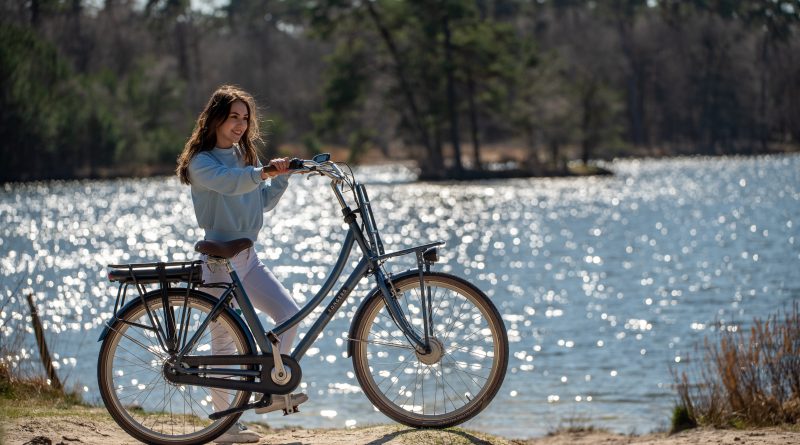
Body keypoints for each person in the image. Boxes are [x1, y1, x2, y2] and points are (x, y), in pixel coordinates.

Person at [176, 85, 307, 443]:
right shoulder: (202, 162)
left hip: (248, 259)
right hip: (219, 263)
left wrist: (279, 178)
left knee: (289, 314)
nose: (240, 124)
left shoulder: (242, 156)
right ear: (215, 119)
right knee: (225, 345)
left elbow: (257, 201)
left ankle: (274, 384)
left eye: (245, 118)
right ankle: (224, 427)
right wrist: (261, 172)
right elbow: (233, 186)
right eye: (233, 117)